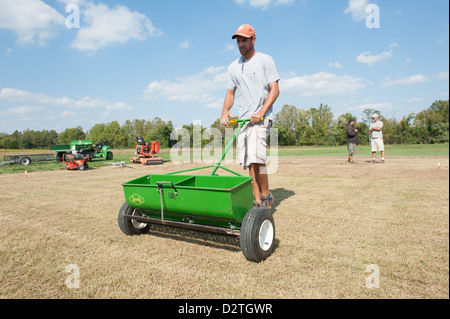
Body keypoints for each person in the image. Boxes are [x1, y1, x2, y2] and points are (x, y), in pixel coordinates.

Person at [220, 24, 280, 209]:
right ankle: (256, 200)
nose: (241, 44)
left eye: (244, 40)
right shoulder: (233, 67)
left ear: (253, 40)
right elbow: (230, 93)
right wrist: (224, 111)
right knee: (248, 162)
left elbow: (275, 89)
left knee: (257, 158)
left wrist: (261, 112)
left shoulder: (265, 60)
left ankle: (265, 195)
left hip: (261, 118)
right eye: (238, 41)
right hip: (243, 120)